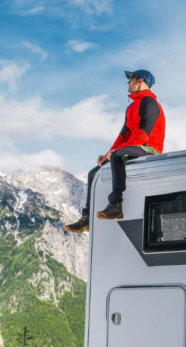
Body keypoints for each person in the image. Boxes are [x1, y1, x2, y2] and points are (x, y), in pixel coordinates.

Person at [66, 69, 165, 232]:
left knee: (118, 155)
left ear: (140, 81)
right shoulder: (132, 107)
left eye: (130, 79)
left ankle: (116, 205)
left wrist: (116, 152)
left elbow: (143, 135)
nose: (128, 83)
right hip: (132, 147)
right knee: (94, 173)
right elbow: (123, 135)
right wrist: (107, 154)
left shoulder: (150, 103)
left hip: (149, 148)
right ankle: (87, 219)